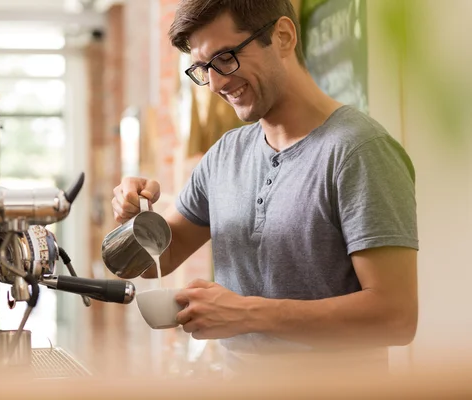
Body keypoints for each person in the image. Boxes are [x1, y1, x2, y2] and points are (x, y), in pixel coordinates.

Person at [111, 0, 418, 374]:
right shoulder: (225, 154)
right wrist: (134, 219)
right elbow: (156, 261)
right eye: (203, 69)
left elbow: (397, 317)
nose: (217, 84)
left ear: (284, 37)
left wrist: (247, 313)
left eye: (226, 58)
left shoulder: (359, 151)